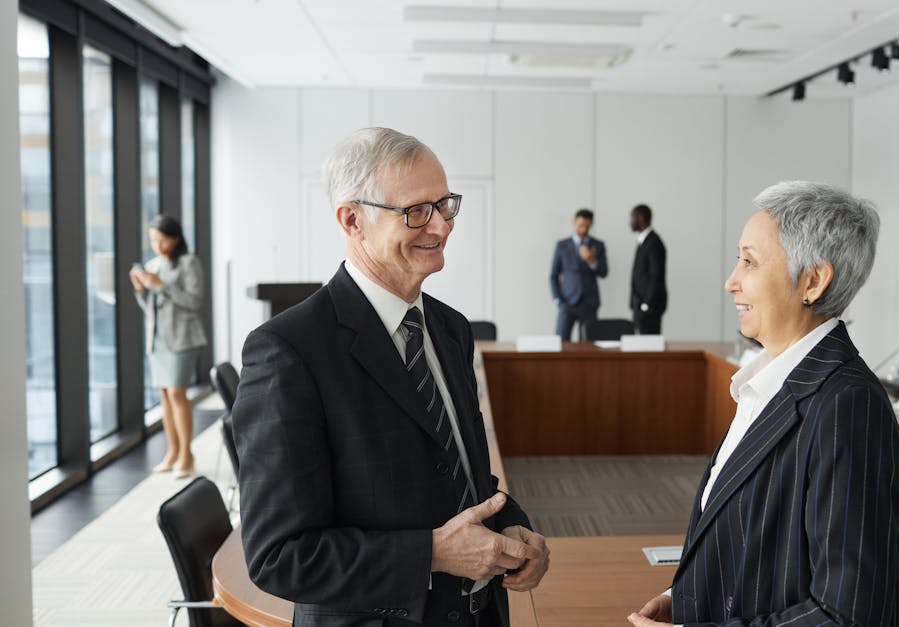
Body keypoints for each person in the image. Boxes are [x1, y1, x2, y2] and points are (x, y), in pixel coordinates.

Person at [233, 127, 549, 627]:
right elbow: (280, 556)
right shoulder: (288, 351)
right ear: (352, 219)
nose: (441, 228)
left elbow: (465, 476)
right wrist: (431, 555)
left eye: (446, 206)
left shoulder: (449, 328)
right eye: (416, 212)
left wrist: (515, 527)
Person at [629, 181, 899, 627]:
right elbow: (758, 542)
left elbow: (849, 615)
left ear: (813, 281)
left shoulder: (848, 406)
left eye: (749, 261)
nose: (730, 281)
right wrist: (685, 596)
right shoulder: (768, 380)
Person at [130, 214, 206, 479]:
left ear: (175, 238)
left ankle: (187, 454)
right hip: (158, 340)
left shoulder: (188, 263)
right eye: (153, 240)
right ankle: (172, 451)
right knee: (165, 397)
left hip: (183, 338)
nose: (157, 245)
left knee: (177, 394)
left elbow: (194, 301)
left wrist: (161, 286)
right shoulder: (153, 265)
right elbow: (150, 309)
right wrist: (141, 290)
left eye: (162, 239)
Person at [550, 209, 608, 341]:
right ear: (574, 222)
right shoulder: (562, 246)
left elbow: (604, 272)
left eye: (587, 226)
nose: (583, 229)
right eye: (581, 225)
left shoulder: (598, 245)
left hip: (589, 303)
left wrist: (592, 262)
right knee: (560, 342)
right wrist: (558, 300)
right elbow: (553, 276)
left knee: (589, 343)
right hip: (567, 302)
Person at [629, 204, 667, 334]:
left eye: (632, 217)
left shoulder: (653, 242)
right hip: (640, 304)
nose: (630, 222)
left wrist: (647, 304)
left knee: (649, 346)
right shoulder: (643, 240)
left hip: (649, 307)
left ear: (641, 218)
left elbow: (656, 275)